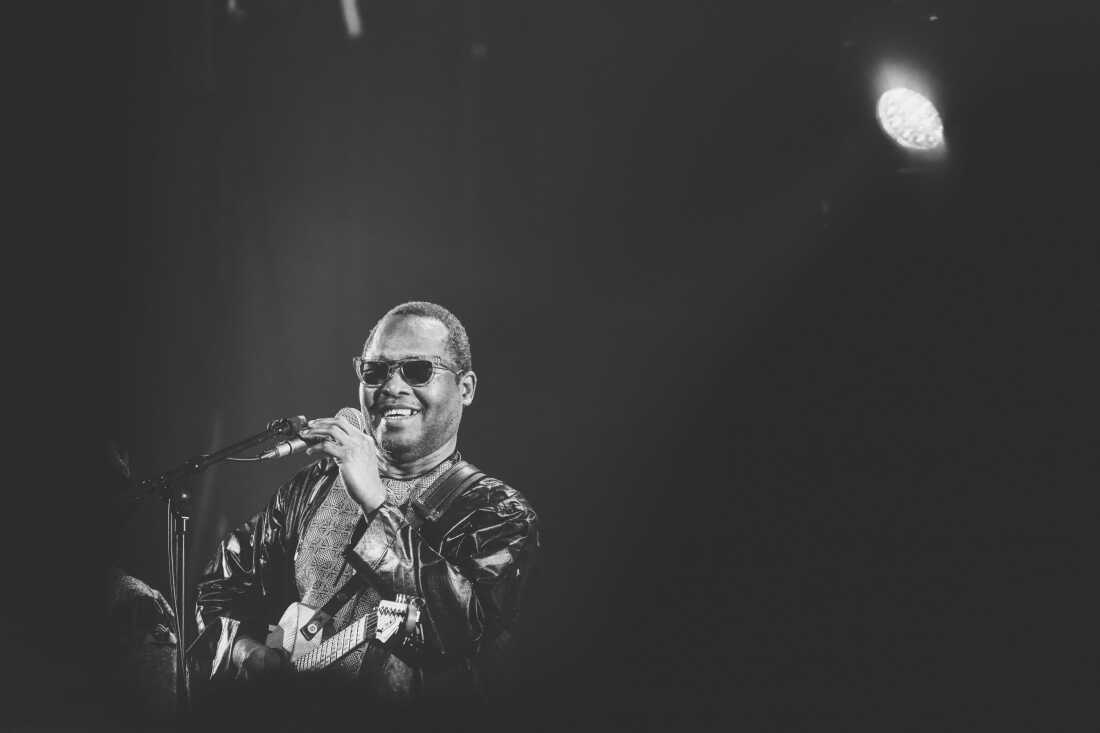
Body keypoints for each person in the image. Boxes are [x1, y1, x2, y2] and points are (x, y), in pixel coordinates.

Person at [191, 301, 539, 714]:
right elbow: (221, 587)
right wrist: (244, 652)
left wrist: (376, 503)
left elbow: (461, 630)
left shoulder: (497, 511)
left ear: (465, 388)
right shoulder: (313, 485)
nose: (391, 387)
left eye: (417, 370)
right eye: (375, 371)